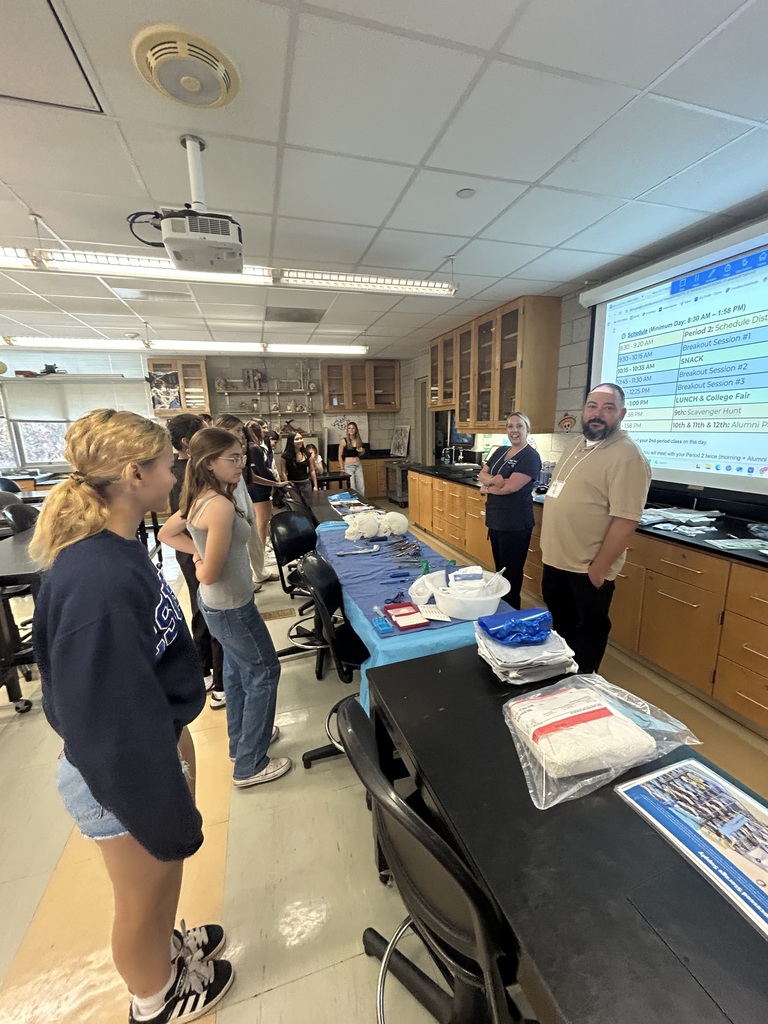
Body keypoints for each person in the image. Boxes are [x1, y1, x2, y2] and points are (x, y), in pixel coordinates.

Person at [30, 409, 233, 1024]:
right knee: (141, 903)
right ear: (134, 475)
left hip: (148, 750)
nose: (176, 472)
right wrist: (163, 800)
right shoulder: (98, 580)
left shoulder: (117, 553)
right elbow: (103, 718)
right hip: (122, 771)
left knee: (158, 891)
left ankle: (165, 958)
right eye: (168, 463)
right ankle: (155, 998)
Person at [159, 428, 291, 789]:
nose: (241, 464)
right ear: (208, 462)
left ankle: (242, 742)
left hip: (222, 605)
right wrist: (201, 558)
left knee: (234, 673)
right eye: (232, 458)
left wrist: (198, 551)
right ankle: (250, 763)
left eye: (241, 456)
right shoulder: (217, 505)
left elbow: (167, 534)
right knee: (265, 672)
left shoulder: (205, 495)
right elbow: (211, 573)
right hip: (231, 606)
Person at [540, 383, 651, 672]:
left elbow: (626, 520)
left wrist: (598, 570)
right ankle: (561, 678)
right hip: (556, 560)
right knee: (561, 626)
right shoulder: (576, 444)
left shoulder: (628, 456)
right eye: (592, 406)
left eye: (608, 408)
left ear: (622, 414)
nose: (597, 414)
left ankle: (583, 686)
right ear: (584, 410)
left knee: (588, 633)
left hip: (586, 568)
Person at [168, 413, 225, 705]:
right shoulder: (187, 472)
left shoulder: (183, 469)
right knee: (213, 610)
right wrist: (201, 553)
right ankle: (220, 684)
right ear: (187, 443)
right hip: (195, 548)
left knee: (200, 609)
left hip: (191, 549)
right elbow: (185, 518)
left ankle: (203, 670)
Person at [477, 411, 541, 609]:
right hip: (496, 520)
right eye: (510, 426)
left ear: (527, 430)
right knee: (500, 570)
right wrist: (492, 481)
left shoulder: (530, 456)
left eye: (519, 426)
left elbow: (510, 487)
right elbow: (482, 474)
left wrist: (487, 488)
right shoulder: (500, 451)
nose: (514, 430)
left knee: (511, 572)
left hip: (515, 524)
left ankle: (512, 611)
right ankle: (501, 608)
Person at [213, 414, 272, 595]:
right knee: (241, 539)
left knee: (253, 532)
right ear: (224, 429)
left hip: (243, 490)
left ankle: (260, 572)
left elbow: (245, 474)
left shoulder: (239, 447)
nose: (241, 434)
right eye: (237, 430)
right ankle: (247, 580)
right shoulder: (217, 453)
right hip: (231, 496)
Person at [280, 431, 317, 499]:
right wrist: (287, 486)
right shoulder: (285, 456)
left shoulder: (307, 454)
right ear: (291, 441)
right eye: (297, 439)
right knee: (297, 506)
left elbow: (312, 470)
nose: (300, 441)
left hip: (306, 484)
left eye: (301, 438)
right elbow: (283, 472)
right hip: (293, 484)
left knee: (308, 505)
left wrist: (315, 486)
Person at [338, 421, 366, 494]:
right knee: (352, 486)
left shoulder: (358, 440)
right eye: (349, 428)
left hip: (358, 465)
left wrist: (362, 450)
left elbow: (361, 454)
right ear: (347, 430)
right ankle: (353, 503)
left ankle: (361, 502)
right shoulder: (344, 441)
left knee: (361, 486)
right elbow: (340, 455)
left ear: (356, 430)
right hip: (348, 466)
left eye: (353, 428)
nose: (351, 430)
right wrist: (341, 468)